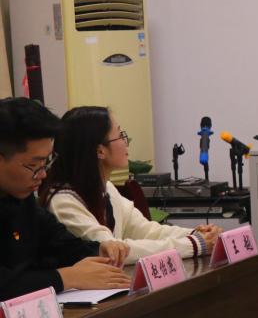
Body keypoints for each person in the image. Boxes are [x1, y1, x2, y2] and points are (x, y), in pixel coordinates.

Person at [40, 106, 222, 264]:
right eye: (120, 135)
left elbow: (147, 230)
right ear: (100, 151)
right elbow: (114, 250)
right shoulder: (62, 201)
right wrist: (194, 244)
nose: (125, 142)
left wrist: (195, 234)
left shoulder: (107, 188)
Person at [0, 98, 130, 302]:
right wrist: (66, 277)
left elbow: (59, 242)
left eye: (47, 162)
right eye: (34, 165)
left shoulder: (21, 198)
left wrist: (98, 250)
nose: (43, 174)